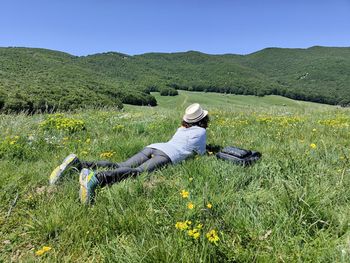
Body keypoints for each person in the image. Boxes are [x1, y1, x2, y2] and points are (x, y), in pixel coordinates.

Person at [49, 103, 209, 205]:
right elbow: (199, 154)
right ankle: (97, 179)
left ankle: (80, 164)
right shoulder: (201, 131)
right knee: (138, 172)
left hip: (154, 147)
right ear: (203, 119)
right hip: (167, 155)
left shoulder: (181, 128)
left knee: (121, 165)